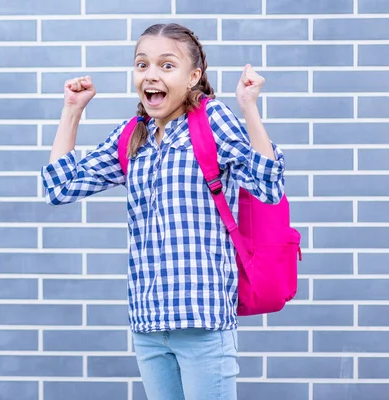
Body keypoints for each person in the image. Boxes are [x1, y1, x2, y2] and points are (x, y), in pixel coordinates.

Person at [40, 23, 285, 400]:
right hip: (149, 325)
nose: (151, 74)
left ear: (193, 77)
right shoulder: (132, 135)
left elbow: (269, 186)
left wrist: (248, 108)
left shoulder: (211, 121)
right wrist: (72, 111)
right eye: (142, 64)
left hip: (203, 324)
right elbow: (60, 187)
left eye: (166, 65)